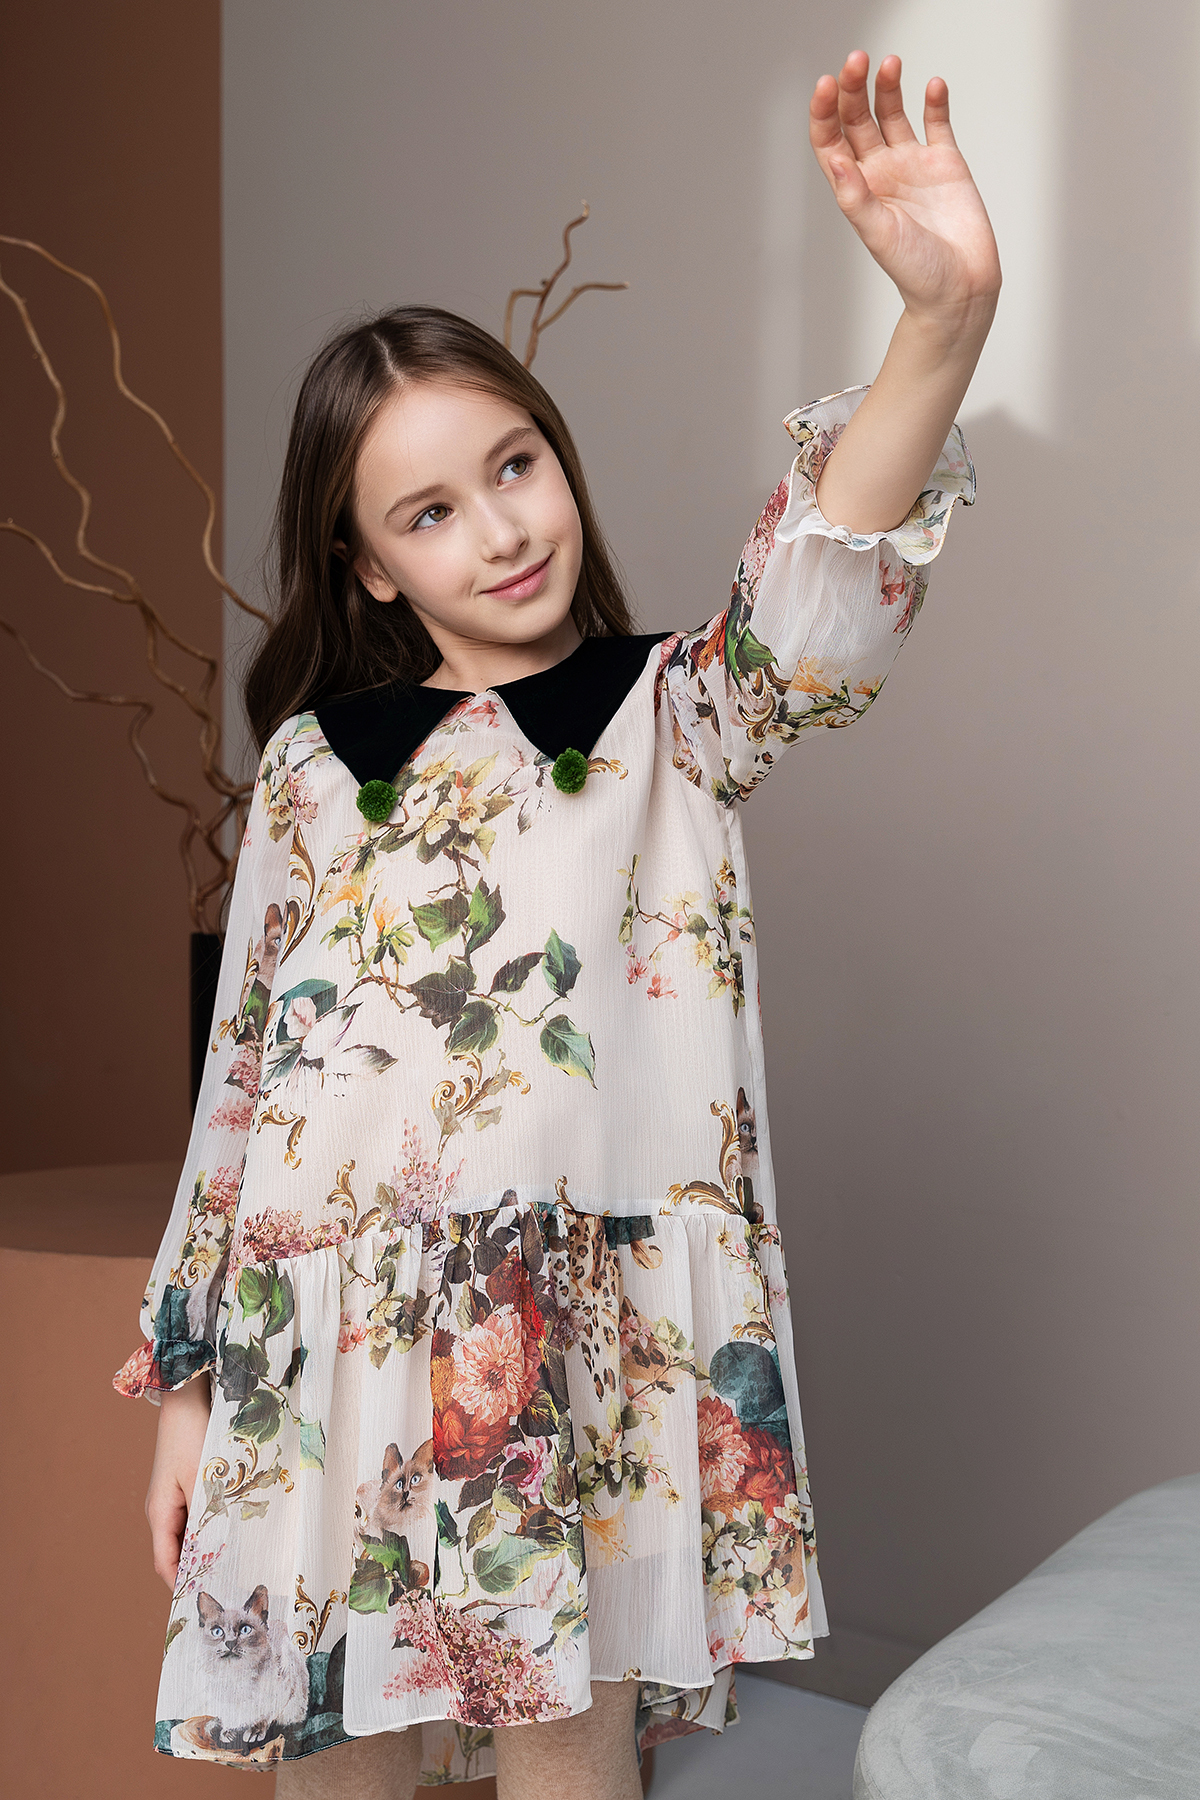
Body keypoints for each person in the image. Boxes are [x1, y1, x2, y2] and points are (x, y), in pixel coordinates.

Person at [115, 49, 999, 1800]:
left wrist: (943, 317)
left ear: (555, 452)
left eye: (514, 464)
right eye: (429, 512)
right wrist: (191, 1395)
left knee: (569, 1768)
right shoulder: (312, 771)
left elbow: (824, 586)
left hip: (573, 1346)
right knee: (335, 1776)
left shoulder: (676, 716)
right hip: (322, 1345)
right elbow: (241, 1095)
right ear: (370, 564)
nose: (502, 528)